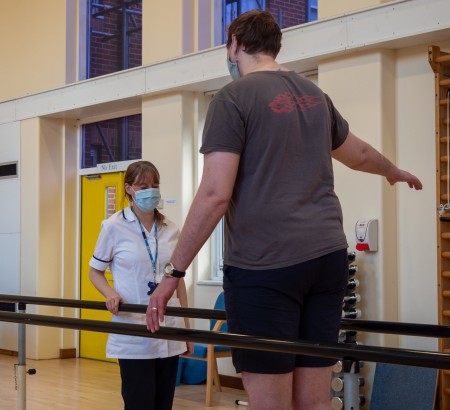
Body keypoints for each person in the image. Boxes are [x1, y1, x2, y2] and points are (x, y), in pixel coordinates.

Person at [146, 10, 423, 410]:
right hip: (327, 260)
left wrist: (173, 273)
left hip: (266, 267)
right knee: (313, 403)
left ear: (236, 44)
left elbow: (214, 195)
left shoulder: (232, 98)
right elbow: (358, 153)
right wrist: (393, 171)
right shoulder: (314, 97)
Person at [89, 160, 193, 410]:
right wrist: (110, 293)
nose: (150, 190)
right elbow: (95, 272)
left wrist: (187, 330)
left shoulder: (171, 229)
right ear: (128, 189)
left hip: (169, 327)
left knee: (163, 404)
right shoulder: (113, 226)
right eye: (143, 185)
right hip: (133, 329)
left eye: (154, 185)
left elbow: (177, 282)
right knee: (139, 403)